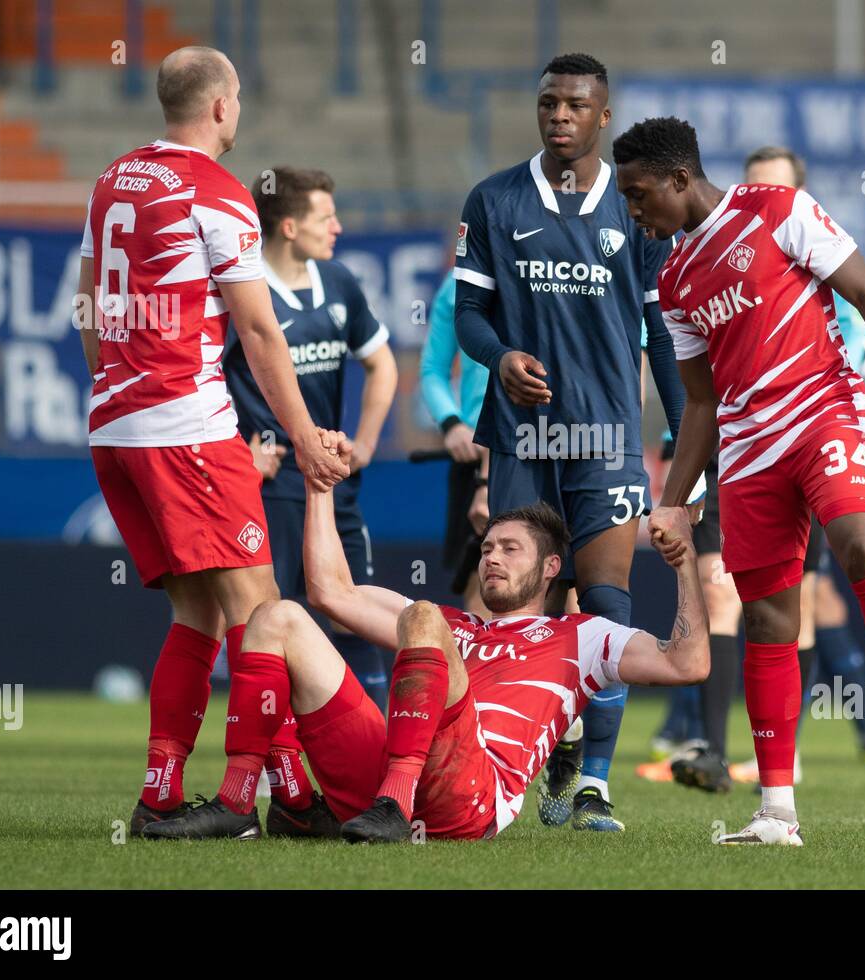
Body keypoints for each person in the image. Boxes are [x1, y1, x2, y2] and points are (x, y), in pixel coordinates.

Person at [614, 116, 865, 846]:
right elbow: (702, 403)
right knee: (770, 621)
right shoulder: (673, 282)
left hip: (825, 412)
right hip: (747, 453)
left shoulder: (778, 210)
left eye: (640, 196)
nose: (636, 212)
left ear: (680, 179)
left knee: (862, 545)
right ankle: (776, 813)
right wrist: (672, 502)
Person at [141, 430, 710, 841]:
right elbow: (332, 593)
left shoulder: (582, 636)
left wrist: (685, 562)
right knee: (275, 617)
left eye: (510, 550)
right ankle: (240, 804)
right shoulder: (452, 624)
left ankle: (393, 801)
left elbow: (687, 663)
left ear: (551, 568)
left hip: (470, 800)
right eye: (487, 548)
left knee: (423, 617)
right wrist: (319, 487)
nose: (492, 559)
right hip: (393, 770)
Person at [76, 46, 348, 837]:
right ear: (223, 107)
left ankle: (166, 792)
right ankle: (269, 800)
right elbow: (260, 330)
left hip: (117, 428)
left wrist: (118, 389)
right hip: (186, 430)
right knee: (263, 616)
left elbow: (89, 305)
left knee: (198, 616)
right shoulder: (219, 194)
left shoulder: (112, 180)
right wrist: (301, 435)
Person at [453, 53, 686, 832]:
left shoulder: (634, 205)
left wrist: (688, 437)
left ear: (603, 116)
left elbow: (660, 331)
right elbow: (470, 319)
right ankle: (528, 759)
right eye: (548, 103)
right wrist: (500, 358)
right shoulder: (494, 199)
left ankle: (592, 783)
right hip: (522, 433)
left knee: (609, 607)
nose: (559, 116)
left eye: (575, 105)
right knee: (524, 606)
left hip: (609, 435)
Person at [224, 164, 397, 727]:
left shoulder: (340, 282)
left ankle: (379, 758)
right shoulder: (240, 295)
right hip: (272, 490)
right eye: (327, 217)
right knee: (279, 621)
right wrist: (236, 449)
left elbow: (383, 364)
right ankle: (285, 767)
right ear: (291, 227)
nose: (339, 227)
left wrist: (366, 442)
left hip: (332, 481)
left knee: (357, 614)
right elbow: (201, 376)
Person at [418, 274, 491, 616]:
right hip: (475, 459)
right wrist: (452, 423)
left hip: (552, 449)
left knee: (569, 585)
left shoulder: (549, 267)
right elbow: (433, 368)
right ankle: (486, 669)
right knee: (486, 587)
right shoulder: (457, 283)